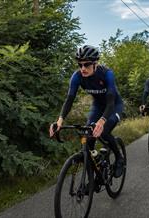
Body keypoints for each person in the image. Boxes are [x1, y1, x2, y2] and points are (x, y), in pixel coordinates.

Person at [49, 45, 124, 178]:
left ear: (95, 63)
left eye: (87, 64)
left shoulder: (107, 74)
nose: (83, 68)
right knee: (89, 137)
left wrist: (102, 121)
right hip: (97, 105)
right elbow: (69, 99)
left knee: (104, 131)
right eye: (80, 64)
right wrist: (60, 120)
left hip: (113, 106)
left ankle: (119, 158)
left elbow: (111, 101)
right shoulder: (77, 76)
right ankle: (94, 170)